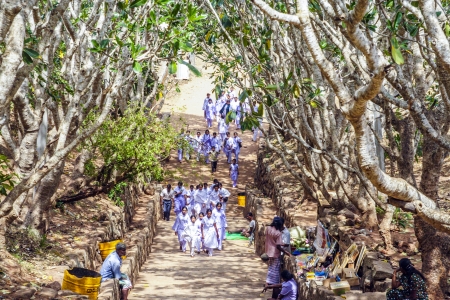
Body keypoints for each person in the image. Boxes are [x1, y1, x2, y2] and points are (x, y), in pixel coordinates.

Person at [265, 217, 291, 287]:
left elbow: (272, 241)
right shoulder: (278, 233)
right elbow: (278, 246)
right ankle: (274, 287)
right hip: (275, 254)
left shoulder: (268, 229)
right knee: (276, 274)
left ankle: (267, 283)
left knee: (270, 269)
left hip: (268, 252)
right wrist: (286, 252)